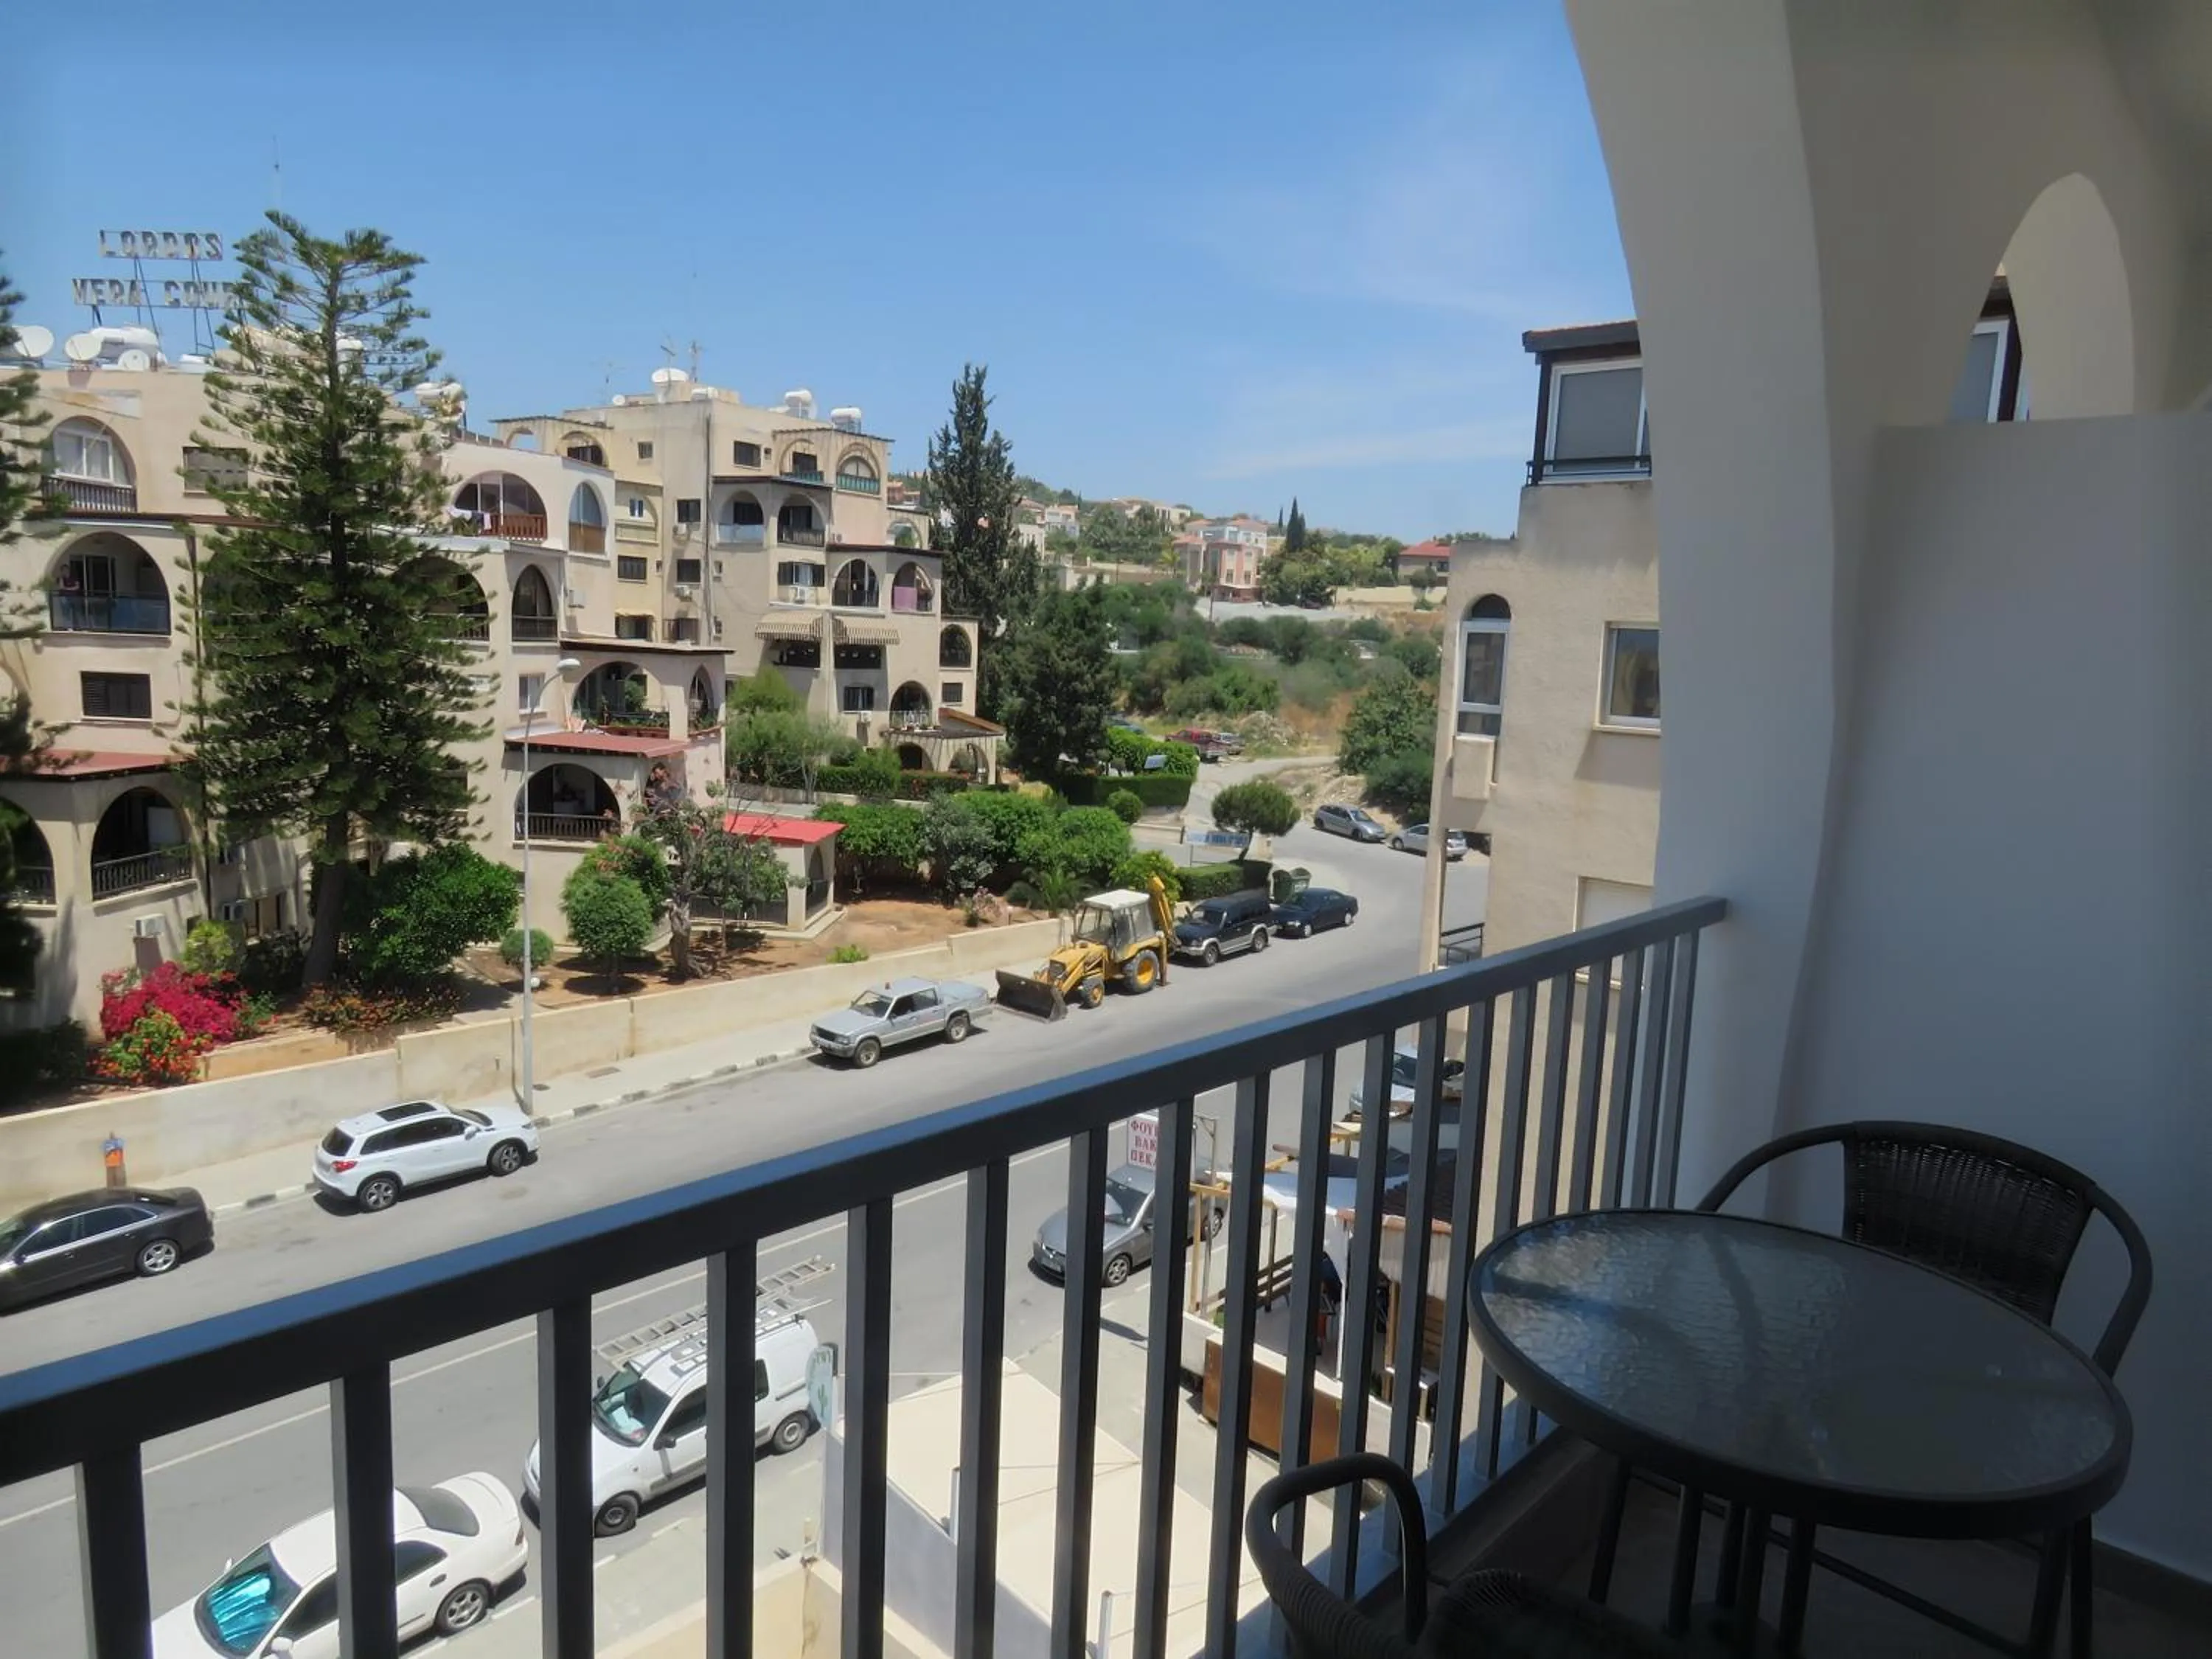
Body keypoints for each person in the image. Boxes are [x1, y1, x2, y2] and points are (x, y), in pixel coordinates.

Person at [1314, 1250, 1344, 1358]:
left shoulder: (1327, 1265)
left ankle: (1319, 1339)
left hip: (1332, 1291)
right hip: (1330, 1291)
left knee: (1321, 1311)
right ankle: (1319, 1339)